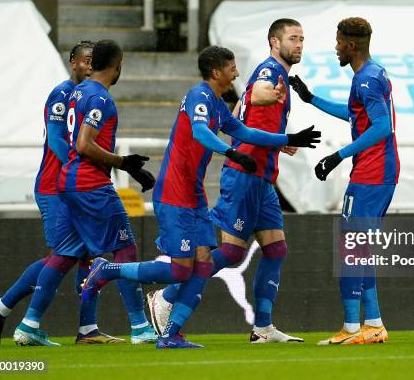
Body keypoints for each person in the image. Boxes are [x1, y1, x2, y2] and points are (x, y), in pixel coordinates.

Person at [81, 45, 320, 348]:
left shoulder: (219, 105)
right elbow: (200, 133)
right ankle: (108, 270)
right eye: (232, 67)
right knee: (180, 269)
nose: (236, 73)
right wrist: (229, 151)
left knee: (204, 264)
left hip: (194, 194)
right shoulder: (199, 96)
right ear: (217, 72)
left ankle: (171, 334)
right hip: (174, 192)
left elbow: (245, 131)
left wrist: (287, 138)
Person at [148, 18, 308, 343]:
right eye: (293, 38)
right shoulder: (270, 73)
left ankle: (263, 327)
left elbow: (242, 110)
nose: (299, 44)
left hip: (262, 178)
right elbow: (258, 90)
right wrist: (264, 96)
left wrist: (282, 139)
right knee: (232, 253)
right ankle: (166, 297)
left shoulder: (274, 80)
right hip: (245, 177)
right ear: (274, 42)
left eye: (302, 39)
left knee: (276, 248)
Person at [12, 40, 157, 346]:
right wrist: (124, 163)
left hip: (68, 184)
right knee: (125, 250)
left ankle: (28, 324)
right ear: (117, 66)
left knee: (65, 254)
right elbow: (83, 144)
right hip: (90, 185)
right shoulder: (99, 98)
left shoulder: (76, 92)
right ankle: (141, 327)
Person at [0, 41, 123, 346]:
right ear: (73, 63)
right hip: (55, 186)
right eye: (84, 61)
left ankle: (88, 328)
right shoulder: (62, 94)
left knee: (86, 254)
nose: (88, 67)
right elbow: (58, 141)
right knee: (62, 255)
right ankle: (6, 308)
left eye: (92, 62)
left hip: (74, 185)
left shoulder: (86, 96)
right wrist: (79, 167)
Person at [290, 17, 398, 345]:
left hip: (372, 172)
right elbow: (356, 114)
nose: (335, 47)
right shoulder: (372, 74)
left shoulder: (366, 79)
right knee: (359, 249)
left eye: (338, 42)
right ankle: (374, 323)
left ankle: (352, 328)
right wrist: (312, 100)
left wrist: (338, 156)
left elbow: (381, 127)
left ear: (351, 45)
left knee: (350, 249)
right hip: (380, 171)